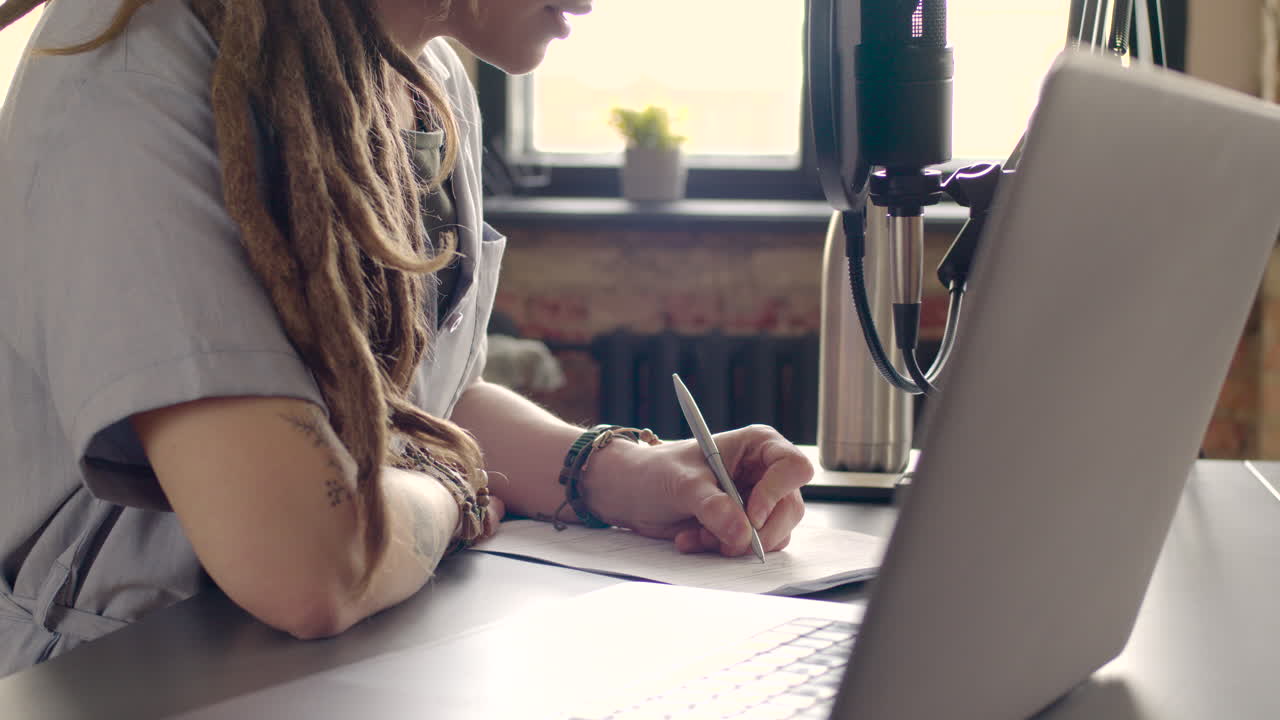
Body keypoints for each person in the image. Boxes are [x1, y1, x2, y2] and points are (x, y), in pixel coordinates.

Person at [0, 0, 812, 677]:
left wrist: (618, 471)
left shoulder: (421, 75)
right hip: (127, 676)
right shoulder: (136, 78)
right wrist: (456, 495)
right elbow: (310, 566)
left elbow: (424, 405)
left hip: (343, 663)